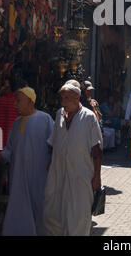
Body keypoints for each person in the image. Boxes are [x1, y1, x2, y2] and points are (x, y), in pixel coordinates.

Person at [43, 81, 103, 236]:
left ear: (77, 98)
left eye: (68, 98)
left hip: (80, 176)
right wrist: (50, 164)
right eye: (62, 98)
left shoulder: (89, 117)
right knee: (52, 215)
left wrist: (97, 176)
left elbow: (97, 150)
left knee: (78, 218)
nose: (64, 102)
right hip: (58, 174)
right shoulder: (59, 115)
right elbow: (53, 143)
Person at [0, 87, 54, 236]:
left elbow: (55, 144)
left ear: (30, 101)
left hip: (39, 175)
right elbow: (10, 149)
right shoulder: (16, 123)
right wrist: (1, 155)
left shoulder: (45, 119)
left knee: (40, 209)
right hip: (19, 177)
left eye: (18, 101)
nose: (15, 104)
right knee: (19, 208)